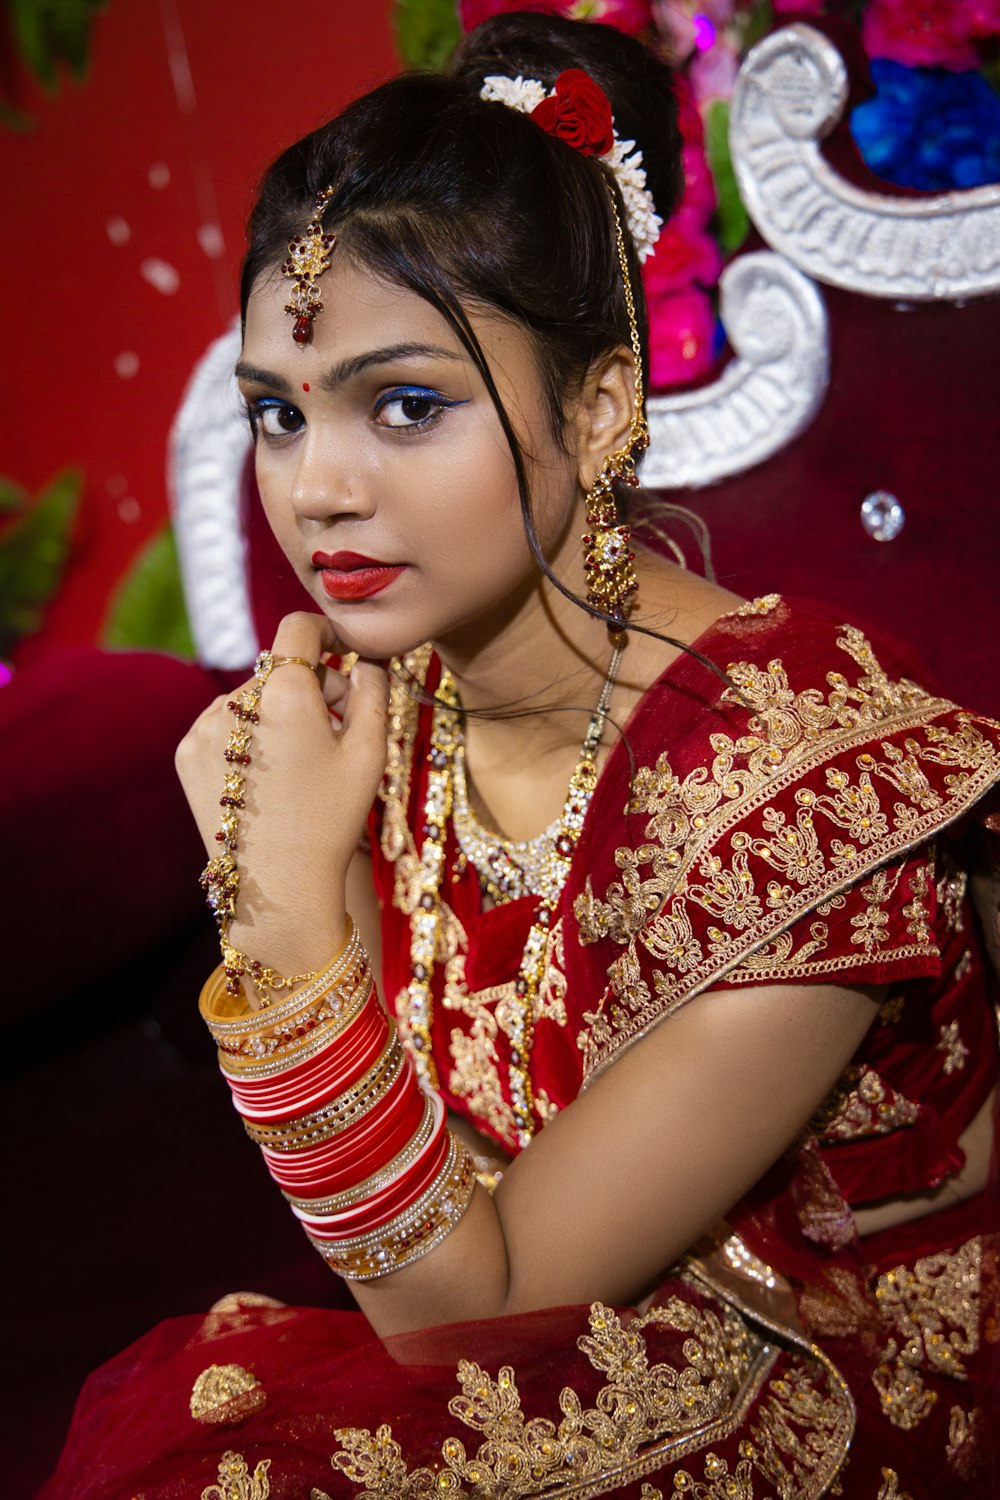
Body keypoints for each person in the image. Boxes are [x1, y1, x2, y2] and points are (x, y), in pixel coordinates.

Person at [41, 12, 1000, 1499]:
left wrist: (284, 909)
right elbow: (412, 1216)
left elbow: (460, 1325)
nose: (319, 490)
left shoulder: (790, 782)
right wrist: (305, 877)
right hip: (527, 1294)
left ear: (601, 408)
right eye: (279, 415)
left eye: (407, 405)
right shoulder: (383, 693)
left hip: (835, 1349)